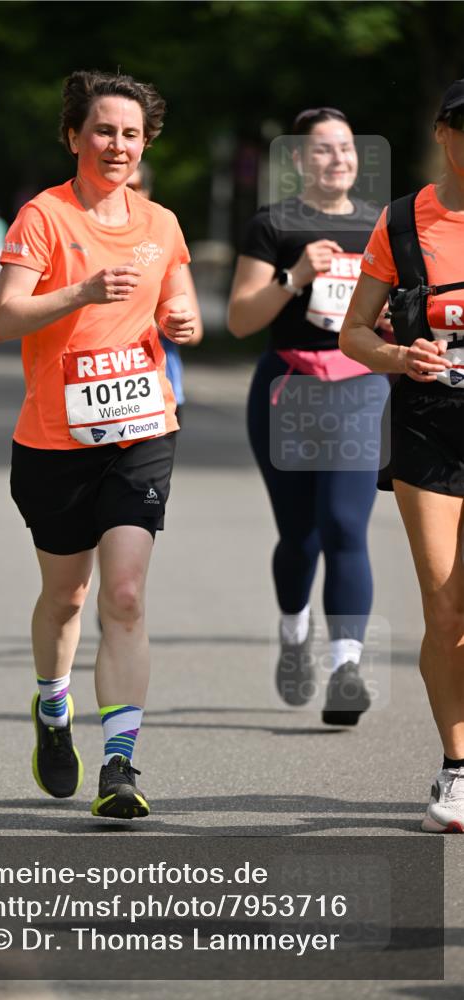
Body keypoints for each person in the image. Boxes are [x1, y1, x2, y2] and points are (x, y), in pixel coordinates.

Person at [0, 69, 195, 819]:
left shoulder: (161, 223)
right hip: (53, 438)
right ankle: (52, 705)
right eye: (103, 130)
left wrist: (181, 325)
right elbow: (4, 319)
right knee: (66, 595)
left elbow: (180, 307)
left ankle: (120, 764)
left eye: (131, 133)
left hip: (141, 427)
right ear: (75, 136)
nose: (117, 145)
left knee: (127, 595)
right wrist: (77, 293)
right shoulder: (42, 217)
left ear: (146, 144)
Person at [228, 108, 390, 725]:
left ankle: (347, 668)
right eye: (322, 150)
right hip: (288, 390)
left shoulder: (381, 225)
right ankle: (296, 635)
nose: (338, 159)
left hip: (360, 390)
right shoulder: (274, 223)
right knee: (301, 536)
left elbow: (403, 309)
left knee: (346, 526)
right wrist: (296, 276)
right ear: (298, 159)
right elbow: (242, 319)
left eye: (346, 148)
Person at [340, 80, 464, 832]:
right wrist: (396, 355)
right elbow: (353, 332)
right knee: (445, 607)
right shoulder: (400, 222)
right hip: (429, 429)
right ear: (444, 135)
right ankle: (456, 769)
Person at [127, 162, 203, 418]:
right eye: (120, 187)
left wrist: (144, 318)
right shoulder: (86, 241)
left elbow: (194, 332)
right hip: (93, 390)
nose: (127, 194)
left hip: (158, 390)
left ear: (147, 193)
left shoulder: (164, 243)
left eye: (134, 187)